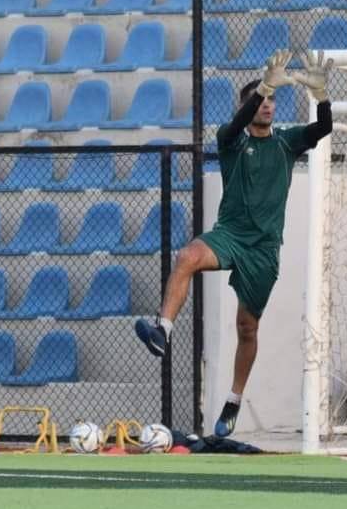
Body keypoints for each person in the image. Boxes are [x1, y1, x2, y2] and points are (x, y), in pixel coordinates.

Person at [135, 49, 333, 436]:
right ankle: (162, 330)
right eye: (262, 100)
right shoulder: (230, 140)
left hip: (263, 249)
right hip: (230, 234)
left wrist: (322, 94)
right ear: (247, 105)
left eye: (273, 100)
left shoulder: (287, 143)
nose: (268, 106)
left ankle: (234, 401)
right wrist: (261, 87)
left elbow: (322, 129)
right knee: (188, 255)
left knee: (247, 328)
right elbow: (238, 121)